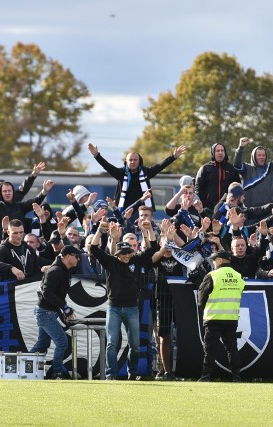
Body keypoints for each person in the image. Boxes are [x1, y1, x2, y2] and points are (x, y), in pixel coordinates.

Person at [89, 218, 158, 380]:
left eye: (129, 252)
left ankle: (132, 373)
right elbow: (93, 248)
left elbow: (153, 248)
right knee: (112, 343)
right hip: (113, 307)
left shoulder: (136, 260)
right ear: (117, 254)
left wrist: (148, 230)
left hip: (132, 308)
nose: (127, 256)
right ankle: (111, 375)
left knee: (135, 345)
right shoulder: (110, 262)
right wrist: (100, 230)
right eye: (123, 253)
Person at [29, 245, 81, 380]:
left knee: (43, 344)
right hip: (45, 313)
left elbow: (53, 295)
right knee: (62, 341)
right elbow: (47, 293)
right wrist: (65, 307)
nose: (78, 259)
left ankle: (22, 366)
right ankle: (57, 373)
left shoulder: (60, 270)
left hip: (47, 312)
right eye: (76, 256)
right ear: (68, 256)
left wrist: (64, 310)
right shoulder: (56, 271)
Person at [87, 142, 186, 213]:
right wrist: (96, 155)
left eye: (135, 160)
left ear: (139, 161)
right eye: (130, 160)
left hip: (143, 212)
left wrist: (173, 157)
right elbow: (106, 165)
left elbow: (160, 166)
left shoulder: (146, 172)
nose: (133, 162)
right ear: (127, 161)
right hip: (123, 211)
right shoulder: (120, 173)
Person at [197, 250, 245, 382]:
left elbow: (201, 299)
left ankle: (206, 376)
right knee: (232, 348)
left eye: (214, 260)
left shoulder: (212, 275)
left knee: (210, 349)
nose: (213, 262)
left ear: (219, 260)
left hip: (213, 318)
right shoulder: (238, 276)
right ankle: (236, 377)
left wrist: (204, 313)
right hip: (231, 319)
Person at [234, 137, 273, 207]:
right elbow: (237, 164)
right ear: (254, 157)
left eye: (263, 155)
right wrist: (241, 147)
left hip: (268, 211)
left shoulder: (271, 168)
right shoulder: (247, 168)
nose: (262, 157)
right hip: (249, 211)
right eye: (259, 155)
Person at [195, 143, 241, 210]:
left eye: (222, 150)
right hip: (208, 209)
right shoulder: (205, 168)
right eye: (218, 151)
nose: (220, 152)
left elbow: (237, 187)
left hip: (227, 208)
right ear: (213, 153)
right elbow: (198, 189)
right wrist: (203, 206)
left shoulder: (231, 169)